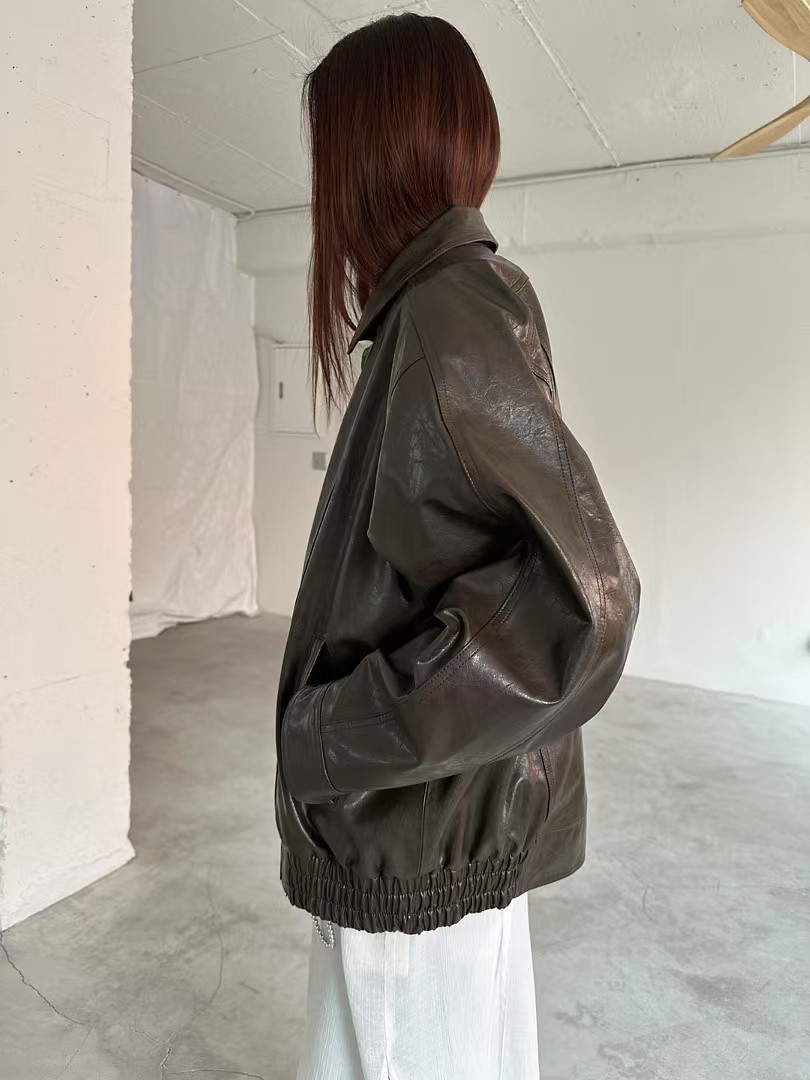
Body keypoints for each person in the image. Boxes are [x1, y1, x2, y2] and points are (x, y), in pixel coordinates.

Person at [274, 13, 640, 1080]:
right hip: (429, 818)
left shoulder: (445, 314)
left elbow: (587, 605)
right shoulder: (438, 310)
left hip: (414, 829)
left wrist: (334, 733)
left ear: (368, 160)